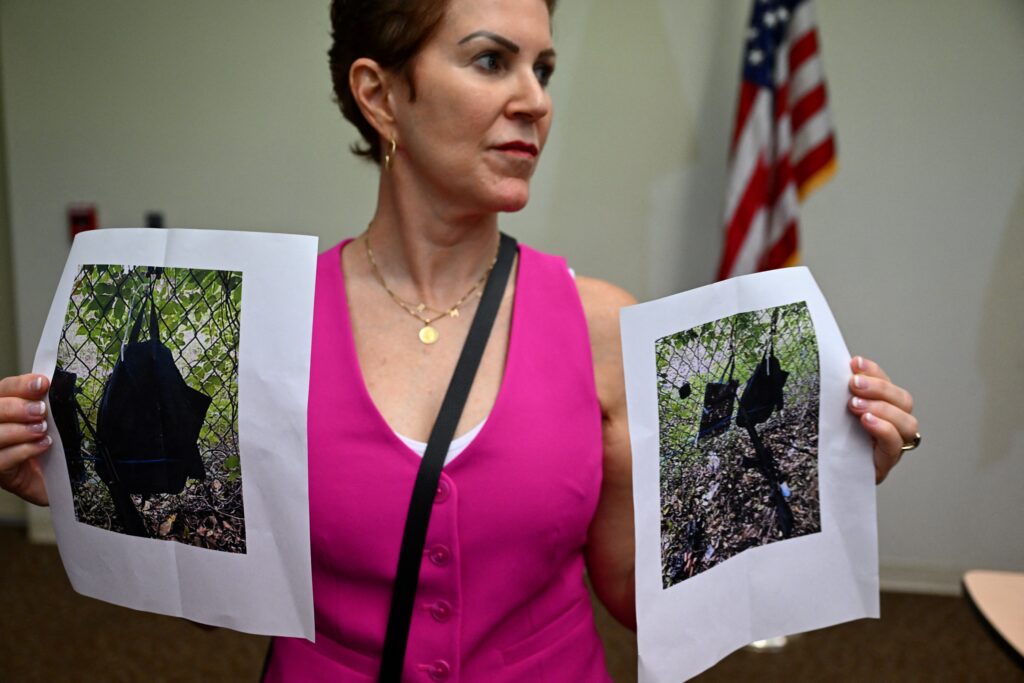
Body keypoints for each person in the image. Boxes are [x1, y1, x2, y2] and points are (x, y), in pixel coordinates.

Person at [0, 0, 920, 679]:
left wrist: (835, 475)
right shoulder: (264, 328)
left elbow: (645, 600)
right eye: (491, 62)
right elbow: (220, 603)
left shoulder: (601, 325)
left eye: (544, 69)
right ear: (381, 95)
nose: (534, 101)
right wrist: (89, 492)